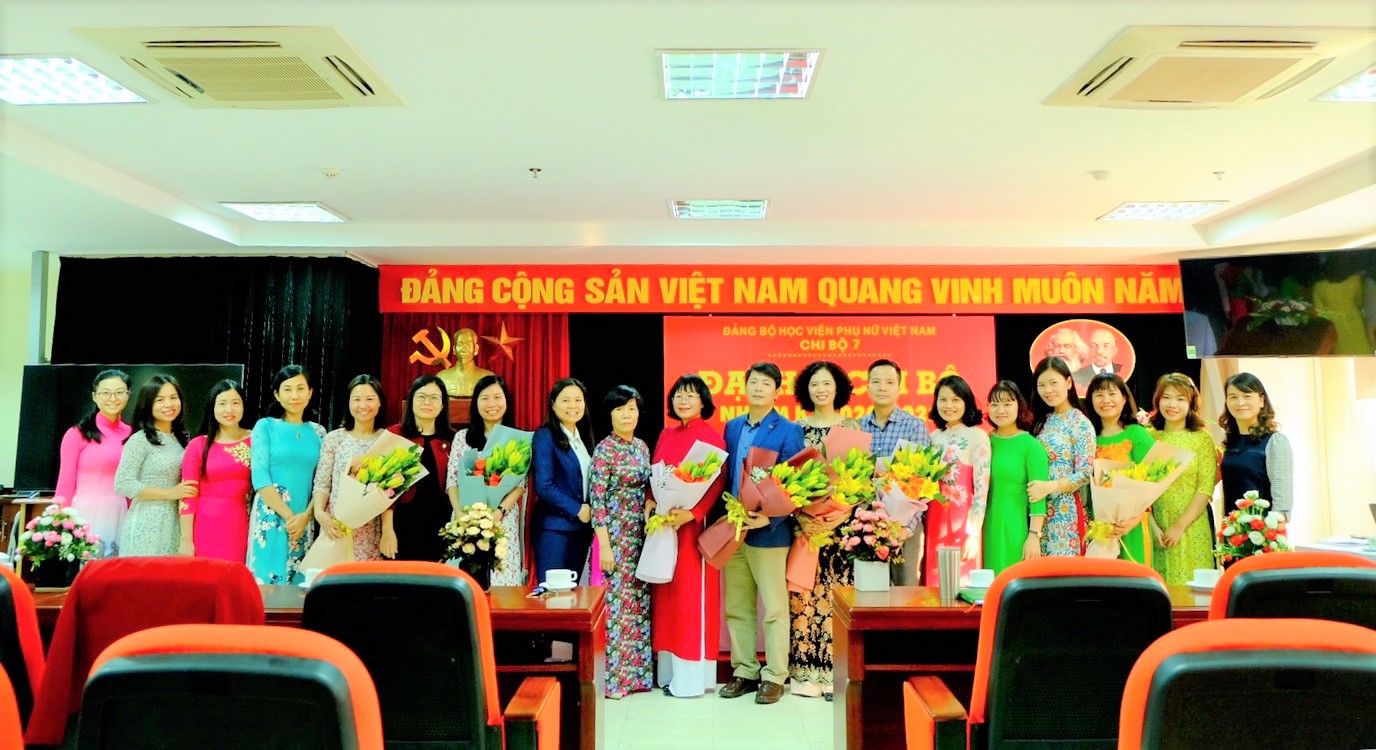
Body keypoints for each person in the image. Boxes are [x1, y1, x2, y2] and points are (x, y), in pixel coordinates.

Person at [718, 362, 804, 706]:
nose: (758, 388)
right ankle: (744, 671)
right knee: (737, 607)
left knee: (774, 608)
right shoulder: (732, 427)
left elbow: (795, 485)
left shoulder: (788, 430)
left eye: (766, 384)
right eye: (753, 382)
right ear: (744, 386)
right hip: (734, 529)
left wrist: (769, 519)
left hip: (769, 532)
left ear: (776, 391)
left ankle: (775, 676)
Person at [648, 374, 726, 698]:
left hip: (693, 529)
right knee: (666, 600)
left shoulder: (711, 437)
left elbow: (716, 482)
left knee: (690, 601)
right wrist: (651, 502)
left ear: (703, 401)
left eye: (691, 395)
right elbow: (654, 474)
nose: (683, 400)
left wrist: (692, 513)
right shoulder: (666, 434)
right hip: (663, 527)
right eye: (679, 395)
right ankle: (668, 673)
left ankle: (691, 680)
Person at [790, 360, 863, 700]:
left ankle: (837, 673)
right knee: (804, 597)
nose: (821, 390)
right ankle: (806, 674)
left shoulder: (851, 426)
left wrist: (841, 512)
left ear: (838, 389)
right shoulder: (796, 429)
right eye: (814, 384)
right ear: (806, 390)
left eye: (827, 383)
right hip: (805, 528)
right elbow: (786, 479)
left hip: (841, 527)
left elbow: (859, 478)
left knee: (837, 597)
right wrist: (802, 516)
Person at [589, 385, 654, 699]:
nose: (627, 415)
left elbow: (648, 488)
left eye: (632, 408)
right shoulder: (604, 450)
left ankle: (638, 676)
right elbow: (597, 501)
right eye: (620, 409)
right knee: (616, 608)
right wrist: (604, 546)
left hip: (640, 537)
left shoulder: (642, 447)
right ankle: (614, 681)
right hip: (614, 537)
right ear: (610, 414)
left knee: (638, 604)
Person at [247, 365, 325, 584]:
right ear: (277, 395)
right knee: (266, 582)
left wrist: (306, 517)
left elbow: (322, 482)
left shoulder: (319, 432)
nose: (294, 395)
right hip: (271, 516)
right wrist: (290, 518)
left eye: (300, 388)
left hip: (305, 516)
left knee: (298, 584)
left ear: (310, 392)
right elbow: (260, 478)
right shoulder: (265, 426)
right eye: (287, 389)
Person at [857, 358, 932, 585]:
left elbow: (921, 482)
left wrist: (907, 529)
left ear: (899, 388)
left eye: (889, 382)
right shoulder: (857, 426)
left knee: (906, 592)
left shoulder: (913, 426)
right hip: (867, 526)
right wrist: (864, 519)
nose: (882, 387)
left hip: (904, 526)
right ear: (867, 386)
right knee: (870, 592)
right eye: (876, 382)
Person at [447, 374, 526, 584]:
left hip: (502, 519)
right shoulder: (462, 438)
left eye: (497, 397)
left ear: (506, 401)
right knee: (466, 581)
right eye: (485, 398)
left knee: (502, 581)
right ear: (476, 403)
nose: (491, 404)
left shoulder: (517, 439)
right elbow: (452, 481)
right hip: (465, 519)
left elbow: (520, 485)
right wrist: (461, 515)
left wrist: (499, 513)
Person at [1147, 373, 1219, 585]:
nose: (1172, 405)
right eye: (1166, 397)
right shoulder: (1149, 436)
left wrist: (1179, 526)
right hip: (1157, 525)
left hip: (1192, 524)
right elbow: (1139, 486)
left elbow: (1205, 488)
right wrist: (1151, 525)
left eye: (1180, 399)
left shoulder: (1202, 439)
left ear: (1191, 404)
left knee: (1194, 589)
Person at [54, 369, 133, 557]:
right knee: (88, 567)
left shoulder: (133, 434)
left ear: (128, 395)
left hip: (121, 511)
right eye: (105, 392)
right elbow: (65, 484)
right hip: (85, 513)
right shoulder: (77, 434)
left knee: (118, 567)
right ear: (95, 396)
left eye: (119, 392)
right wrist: (59, 523)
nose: (113, 398)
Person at [114, 375, 194, 557]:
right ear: (148, 404)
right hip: (147, 521)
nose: (169, 404)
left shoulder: (181, 439)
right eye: (160, 400)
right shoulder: (140, 439)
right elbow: (123, 483)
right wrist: (170, 493)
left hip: (174, 521)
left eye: (173, 398)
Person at [311, 375, 386, 561]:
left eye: (370, 399)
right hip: (336, 525)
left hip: (372, 529)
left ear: (379, 402)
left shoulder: (386, 439)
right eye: (357, 399)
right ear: (349, 403)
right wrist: (319, 513)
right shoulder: (335, 438)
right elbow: (322, 482)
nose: (363, 405)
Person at [381, 376, 455, 561]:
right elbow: (383, 487)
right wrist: (387, 530)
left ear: (443, 405)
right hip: (401, 525)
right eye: (421, 396)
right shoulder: (394, 434)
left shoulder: (453, 439)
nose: (427, 402)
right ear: (411, 401)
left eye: (434, 398)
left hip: (440, 527)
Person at [1085, 373, 1155, 563]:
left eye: (1112, 394)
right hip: (1099, 527)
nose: (1105, 400)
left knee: (1134, 577)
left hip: (1132, 524)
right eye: (1099, 395)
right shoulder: (1088, 437)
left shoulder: (1136, 434)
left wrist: (1135, 518)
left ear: (1124, 398)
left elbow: (1154, 478)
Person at [531, 378, 595, 586]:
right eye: (565, 400)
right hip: (554, 530)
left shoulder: (583, 438)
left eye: (578, 400)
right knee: (553, 593)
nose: (572, 406)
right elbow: (544, 485)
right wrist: (577, 509)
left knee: (570, 594)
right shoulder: (545, 436)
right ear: (553, 404)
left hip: (581, 530)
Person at [926, 374, 990, 584]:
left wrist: (973, 533)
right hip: (934, 520)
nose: (949, 405)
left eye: (955, 400)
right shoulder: (933, 437)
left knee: (961, 584)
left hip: (962, 523)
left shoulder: (977, 436)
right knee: (934, 585)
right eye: (943, 399)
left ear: (966, 402)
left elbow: (982, 488)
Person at [1028, 357, 1095, 556]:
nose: (1048, 390)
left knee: (1064, 570)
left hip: (1067, 513)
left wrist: (1050, 487)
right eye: (1041, 385)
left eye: (1053, 383)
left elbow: (1085, 473)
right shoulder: (1042, 421)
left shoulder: (1080, 423)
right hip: (1039, 511)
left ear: (1068, 382)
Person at [179, 379, 253, 562]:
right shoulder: (197, 445)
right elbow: (188, 495)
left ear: (244, 406)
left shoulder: (257, 441)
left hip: (244, 525)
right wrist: (186, 539)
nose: (229, 409)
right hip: (205, 525)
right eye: (222, 403)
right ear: (212, 407)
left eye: (235, 402)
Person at [983, 381, 1049, 574]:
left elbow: (1038, 497)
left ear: (1019, 406)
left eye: (1007, 404)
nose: (1000, 410)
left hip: (1014, 527)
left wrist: (1034, 535)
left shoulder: (1031, 446)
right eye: (994, 404)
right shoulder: (984, 441)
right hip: (982, 527)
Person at [1219, 373, 1293, 519]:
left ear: (1261, 400)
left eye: (1247, 396)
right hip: (1233, 527)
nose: (1240, 403)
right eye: (1233, 397)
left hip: (1264, 527)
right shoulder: (1230, 442)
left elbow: (1282, 495)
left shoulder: (1275, 441)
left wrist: (1277, 523)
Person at [436, 328, 497, 398]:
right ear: (454, 350)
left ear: (476, 349)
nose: (464, 349)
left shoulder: (488, 378)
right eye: (460, 344)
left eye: (468, 345)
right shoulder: (441, 377)